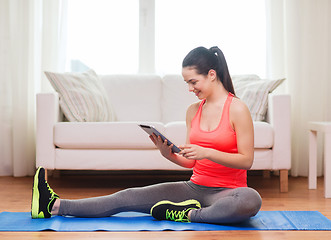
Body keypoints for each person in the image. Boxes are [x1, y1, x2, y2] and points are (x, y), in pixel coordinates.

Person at [31, 46, 262, 224]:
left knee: (251, 200)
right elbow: (191, 162)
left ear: (212, 75)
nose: (190, 89)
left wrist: (207, 152)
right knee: (126, 197)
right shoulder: (193, 111)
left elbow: (246, 160)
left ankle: (187, 215)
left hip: (228, 194)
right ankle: (53, 205)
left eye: (193, 82)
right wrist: (167, 154)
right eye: (187, 83)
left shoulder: (237, 109)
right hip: (194, 188)